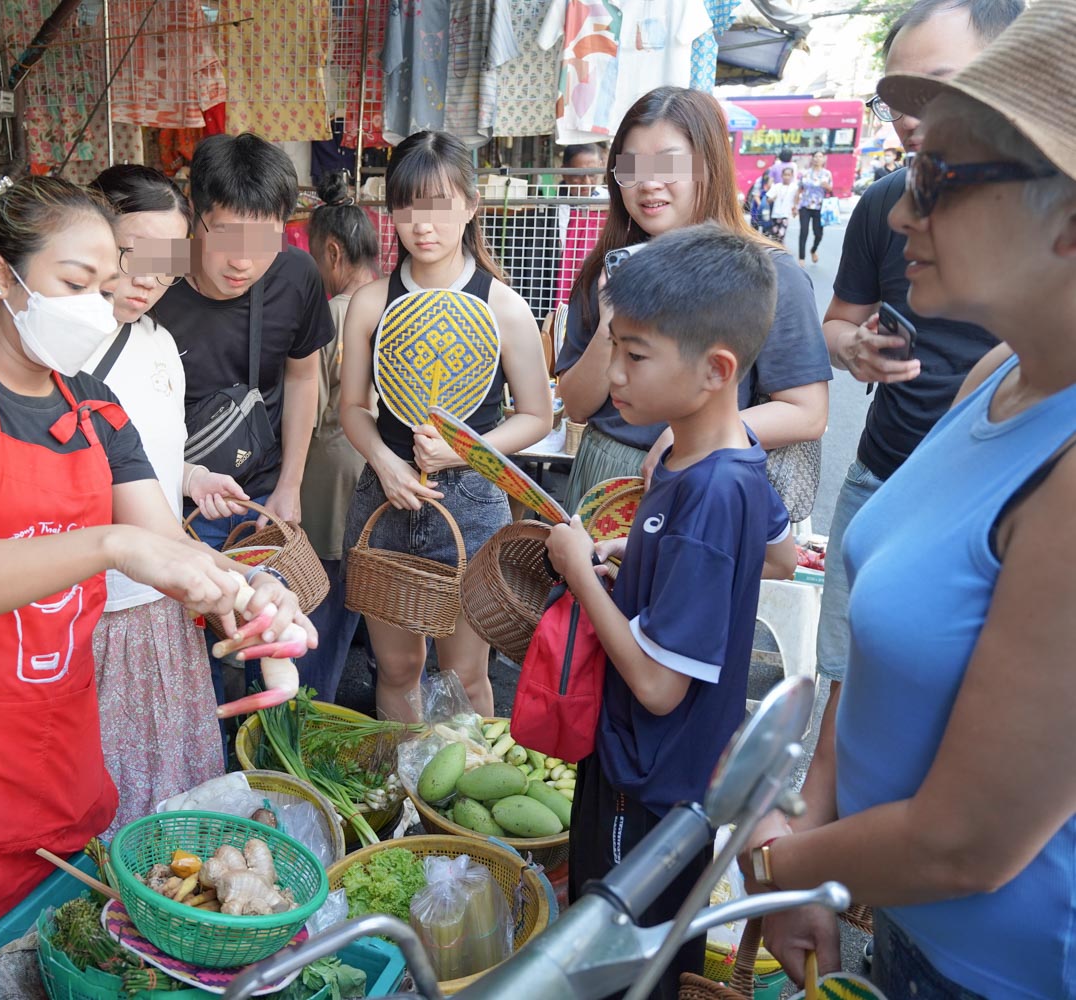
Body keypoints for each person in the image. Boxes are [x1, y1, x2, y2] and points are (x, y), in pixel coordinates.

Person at [0, 176, 314, 931]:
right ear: (2, 275)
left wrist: (253, 585)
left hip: (60, 732)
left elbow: (167, 542)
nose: (96, 308)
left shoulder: (94, 405)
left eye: (106, 289)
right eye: (74, 283)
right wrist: (108, 544)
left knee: (60, 931)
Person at [745, 5, 1076, 994]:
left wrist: (769, 867)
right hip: (907, 926)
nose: (898, 214)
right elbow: (884, 649)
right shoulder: (997, 377)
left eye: (936, 181)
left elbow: (966, 844)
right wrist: (818, 832)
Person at [546, 223, 799, 999]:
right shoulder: (718, 461)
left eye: (636, 354)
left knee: (623, 959)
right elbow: (780, 554)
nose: (614, 373)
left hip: (648, 784)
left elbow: (659, 686)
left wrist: (580, 570)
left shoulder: (707, 491)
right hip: (666, 775)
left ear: (716, 370)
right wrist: (639, 557)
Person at [813, 0, 1023, 726]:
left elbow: (969, 820)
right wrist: (852, 347)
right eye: (894, 97)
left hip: (981, 500)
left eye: (936, 86)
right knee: (851, 685)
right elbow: (835, 326)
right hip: (885, 475)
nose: (907, 116)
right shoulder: (882, 204)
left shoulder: (1042, 462)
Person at [339, 130, 550, 721]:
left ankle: (461, 806)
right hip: (384, 500)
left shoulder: (502, 305)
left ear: (470, 204)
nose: (421, 224)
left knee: (465, 674)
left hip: (473, 503)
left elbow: (537, 415)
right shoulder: (371, 301)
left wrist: (468, 451)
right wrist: (385, 462)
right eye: (406, 206)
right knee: (398, 669)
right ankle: (403, 802)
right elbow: (353, 409)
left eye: (438, 205)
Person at [555, 87, 831, 508]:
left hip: (703, 480)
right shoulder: (607, 268)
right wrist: (610, 324)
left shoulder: (773, 274)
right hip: (600, 478)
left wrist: (689, 433)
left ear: (709, 165)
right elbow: (575, 406)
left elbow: (807, 412)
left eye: (669, 165)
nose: (648, 184)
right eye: (631, 167)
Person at [81, 164, 244, 832]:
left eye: (165, 263)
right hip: (87, 610)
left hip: (161, 597)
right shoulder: (54, 353)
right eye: (132, 255)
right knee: (97, 783)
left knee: (167, 778)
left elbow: (144, 456)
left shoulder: (160, 346)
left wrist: (190, 476)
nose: (149, 279)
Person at [147, 133, 336, 707]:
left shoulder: (296, 276)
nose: (244, 261)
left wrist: (289, 486)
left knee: (277, 659)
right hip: (166, 506)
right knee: (188, 671)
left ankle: (270, 774)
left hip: (258, 505)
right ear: (194, 217)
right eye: (225, 235)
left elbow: (303, 378)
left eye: (264, 239)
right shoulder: (151, 275)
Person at [296, 171, 379, 702]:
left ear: (332, 251)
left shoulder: (331, 316)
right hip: (380, 471)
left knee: (319, 609)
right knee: (361, 594)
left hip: (330, 475)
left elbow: (313, 407)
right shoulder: (397, 307)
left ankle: (307, 712)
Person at [795, 150, 834, 263]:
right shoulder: (805, 173)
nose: (817, 159)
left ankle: (813, 250)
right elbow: (799, 189)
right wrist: (795, 205)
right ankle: (801, 258)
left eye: (820, 156)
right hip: (805, 206)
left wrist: (827, 186)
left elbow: (831, 190)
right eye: (815, 156)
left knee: (818, 234)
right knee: (804, 232)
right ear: (812, 159)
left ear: (823, 159)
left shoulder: (827, 174)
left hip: (819, 207)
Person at [765, 163, 798, 244]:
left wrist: (795, 210)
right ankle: (776, 253)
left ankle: (780, 252)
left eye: (789, 175)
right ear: (781, 175)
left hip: (785, 215)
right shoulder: (777, 186)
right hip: (775, 215)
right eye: (785, 175)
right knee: (774, 235)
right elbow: (768, 200)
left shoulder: (794, 187)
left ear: (792, 176)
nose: (786, 177)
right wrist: (772, 198)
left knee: (781, 234)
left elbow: (797, 200)